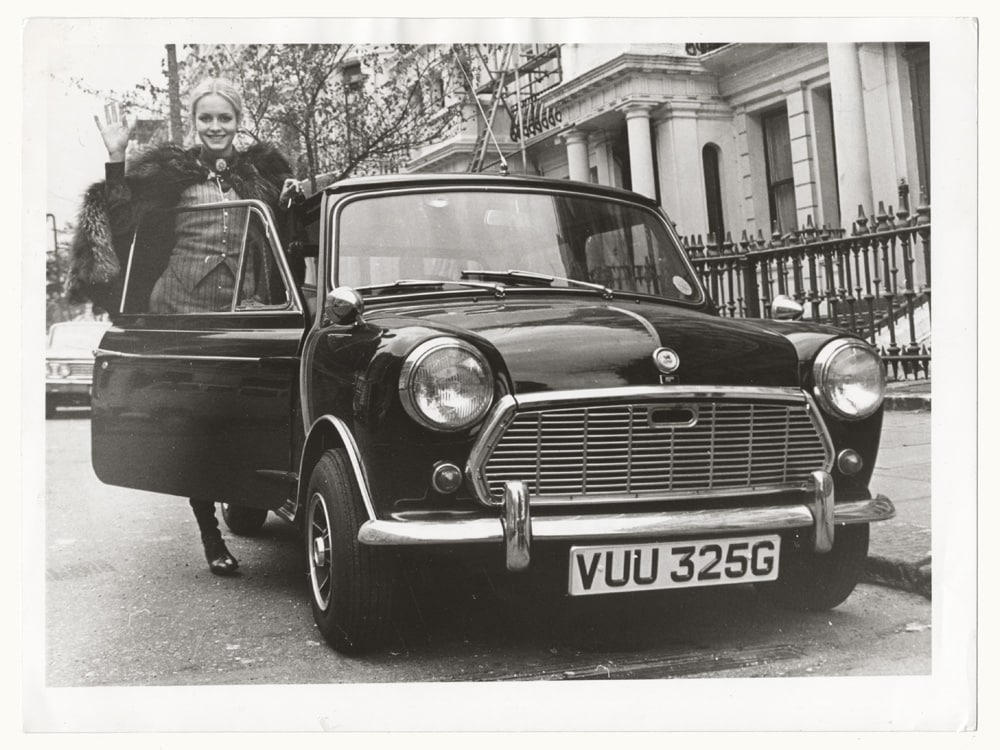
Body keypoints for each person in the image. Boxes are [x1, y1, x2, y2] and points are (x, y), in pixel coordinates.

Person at [67, 78, 302, 576]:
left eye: (225, 118)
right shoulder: (168, 174)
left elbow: (288, 234)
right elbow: (123, 222)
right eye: (206, 118)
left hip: (242, 310)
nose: (215, 127)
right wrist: (116, 156)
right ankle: (210, 535)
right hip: (180, 311)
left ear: (239, 122)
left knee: (236, 423)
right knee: (194, 427)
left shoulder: (261, 175)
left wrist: (297, 198)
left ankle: (245, 500)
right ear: (194, 122)